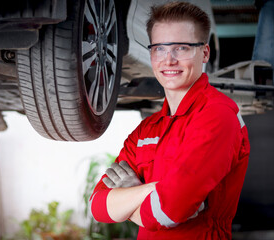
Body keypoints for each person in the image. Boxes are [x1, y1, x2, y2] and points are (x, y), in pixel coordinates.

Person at [89, 1, 250, 239]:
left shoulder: (217, 115)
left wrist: (128, 199)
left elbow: (167, 212)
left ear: (204, 52)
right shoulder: (147, 129)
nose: (169, 60)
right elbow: (97, 206)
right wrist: (151, 190)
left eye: (181, 48)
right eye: (159, 48)